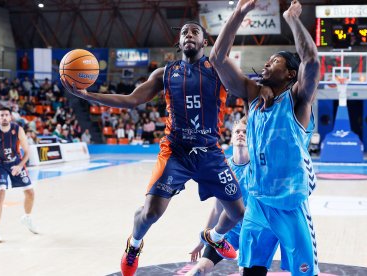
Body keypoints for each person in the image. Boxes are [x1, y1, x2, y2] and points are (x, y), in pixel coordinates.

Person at [61, 21, 267, 276]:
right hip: (176, 152)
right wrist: (89, 95)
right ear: (179, 43)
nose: (189, 35)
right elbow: (132, 100)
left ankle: (213, 236)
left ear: (204, 42)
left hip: (209, 152)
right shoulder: (165, 74)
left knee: (236, 212)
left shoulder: (218, 70)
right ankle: (134, 245)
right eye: (184, 33)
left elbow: (246, 87)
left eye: (195, 32)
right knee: (151, 212)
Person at [209, 0, 320, 275]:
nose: (266, 64)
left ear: (290, 74)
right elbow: (217, 59)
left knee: (303, 272)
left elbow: (312, 61)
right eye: (268, 61)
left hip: (290, 204)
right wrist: (239, 13)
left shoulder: (298, 101)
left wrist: (292, 19)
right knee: (250, 271)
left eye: (275, 61)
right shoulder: (253, 99)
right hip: (257, 202)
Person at [187, 117, 288, 275]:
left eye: (245, 132)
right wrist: (202, 240)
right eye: (237, 131)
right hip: (230, 231)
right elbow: (216, 210)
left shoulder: (260, 167)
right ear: (232, 136)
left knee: (247, 273)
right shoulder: (223, 169)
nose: (241, 134)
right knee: (199, 268)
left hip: (259, 232)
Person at [0, 107, 38, 243]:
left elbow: (27, 151)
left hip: (16, 163)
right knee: (0, 194)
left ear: (10, 117)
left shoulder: (18, 130)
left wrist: (20, 166)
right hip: (0, 165)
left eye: (6, 115)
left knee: (30, 193)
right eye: (1, 115)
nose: (4, 117)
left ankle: (27, 218)